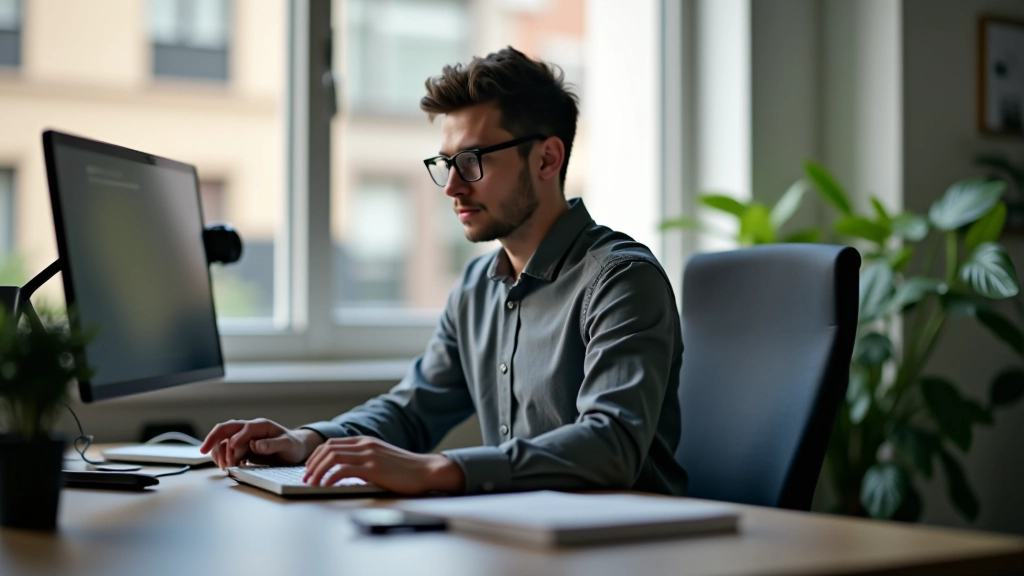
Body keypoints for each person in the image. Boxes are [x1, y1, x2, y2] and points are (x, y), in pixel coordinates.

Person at [200, 47, 687, 496]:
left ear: (546, 158)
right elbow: (413, 411)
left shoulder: (621, 280)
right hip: (527, 536)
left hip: (632, 544)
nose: (452, 186)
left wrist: (437, 469)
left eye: (472, 161)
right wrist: (304, 440)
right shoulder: (477, 288)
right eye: (446, 163)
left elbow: (611, 446)